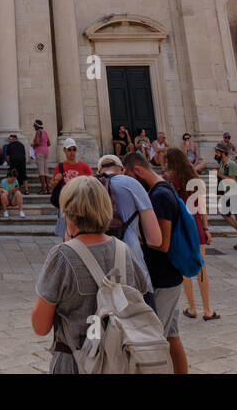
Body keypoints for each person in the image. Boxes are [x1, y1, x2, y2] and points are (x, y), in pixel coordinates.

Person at [31, 176, 152, 374]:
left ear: (69, 212)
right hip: (121, 362)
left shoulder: (62, 256)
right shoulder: (124, 251)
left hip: (75, 362)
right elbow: (140, 298)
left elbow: (40, 326)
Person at [123, 152, 190, 372]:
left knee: (153, 339)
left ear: (139, 172)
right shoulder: (164, 189)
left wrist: (137, 237)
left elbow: (162, 243)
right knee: (171, 336)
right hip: (168, 276)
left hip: (163, 278)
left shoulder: (159, 196)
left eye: (129, 176)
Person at [164, 147, 217, 321]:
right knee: (201, 265)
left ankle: (193, 308)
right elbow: (202, 207)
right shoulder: (195, 179)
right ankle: (208, 310)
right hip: (196, 223)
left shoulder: (168, 179)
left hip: (180, 224)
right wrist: (206, 228)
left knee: (185, 267)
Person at [97, 154, 164, 289]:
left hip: (97, 267)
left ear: (99, 172)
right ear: (122, 170)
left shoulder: (87, 186)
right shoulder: (131, 184)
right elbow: (155, 240)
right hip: (132, 262)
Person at [50, 140, 94, 239]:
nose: (72, 152)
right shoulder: (60, 167)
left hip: (80, 202)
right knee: (65, 231)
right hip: (65, 202)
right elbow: (52, 185)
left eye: (74, 149)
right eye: (69, 150)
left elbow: (92, 184)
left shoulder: (85, 167)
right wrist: (56, 180)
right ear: (64, 151)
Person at [213, 141, 237, 250]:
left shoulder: (231, 164)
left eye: (217, 151)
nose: (215, 153)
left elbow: (232, 180)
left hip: (236, 192)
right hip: (228, 193)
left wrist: (219, 174)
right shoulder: (222, 164)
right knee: (224, 213)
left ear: (222, 152)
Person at [31, 120, 52, 193]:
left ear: (37, 126)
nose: (33, 127)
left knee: (41, 171)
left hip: (39, 152)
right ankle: (48, 189)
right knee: (46, 171)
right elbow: (49, 143)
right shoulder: (45, 132)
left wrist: (33, 145)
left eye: (34, 125)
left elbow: (37, 142)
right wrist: (44, 145)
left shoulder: (38, 132)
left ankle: (43, 189)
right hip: (46, 151)